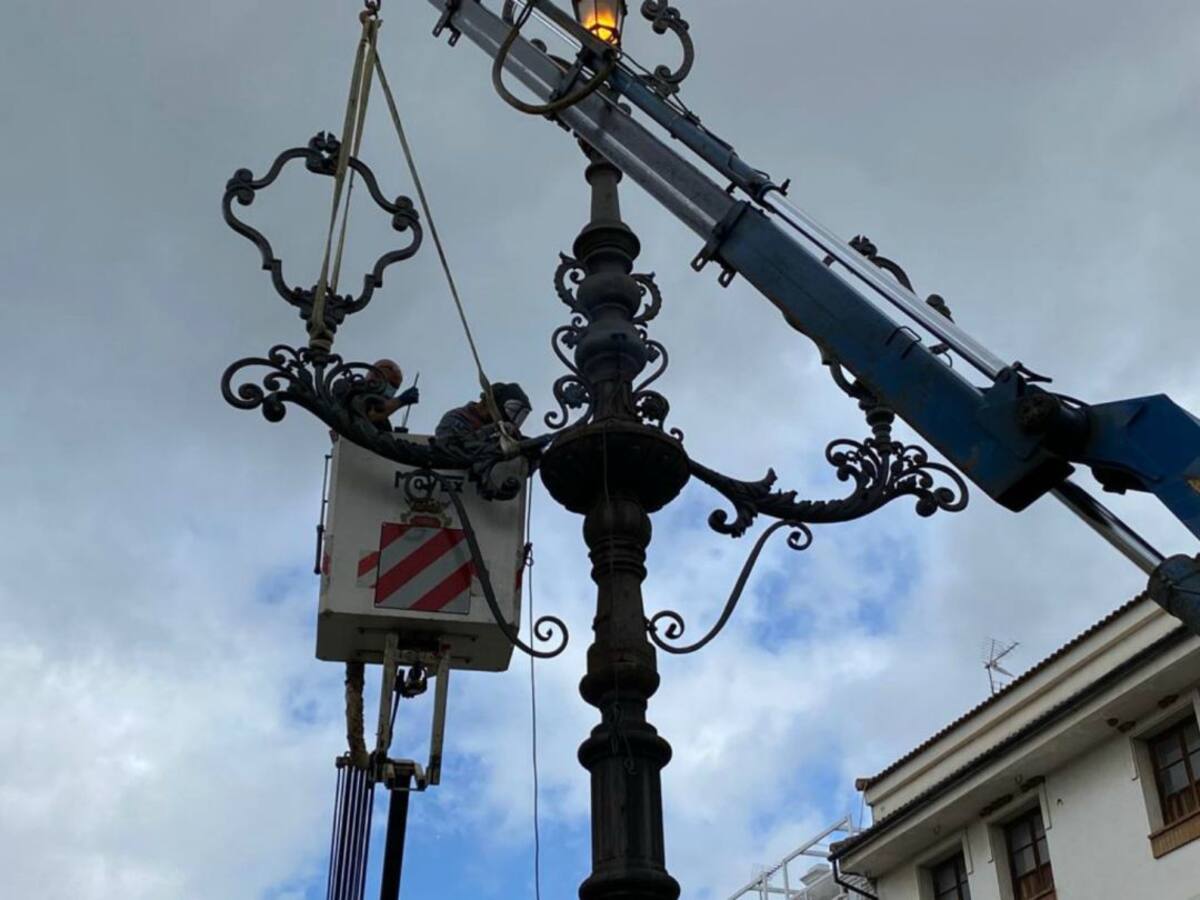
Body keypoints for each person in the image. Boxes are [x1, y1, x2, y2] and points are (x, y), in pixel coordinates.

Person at [435, 382, 531, 442]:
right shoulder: (455, 419)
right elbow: (453, 448)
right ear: (487, 403)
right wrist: (492, 429)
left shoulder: (500, 431)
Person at [366, 359, 419, 431]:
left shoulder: (383, 421)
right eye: (389, 383)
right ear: (375, 376)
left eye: (394, 386)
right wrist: (401, 400)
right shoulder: (355, 393)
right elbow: (369, 415)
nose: (391, 389)